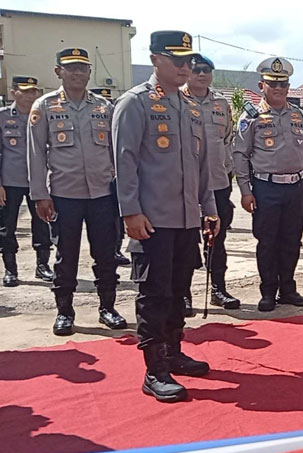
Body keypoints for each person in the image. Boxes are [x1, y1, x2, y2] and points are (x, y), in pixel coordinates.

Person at [113, 31, 219, 402]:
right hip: (152, 220)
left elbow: (202, 165)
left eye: (189, 61)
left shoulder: (190, 107)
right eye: (178, 60)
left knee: (178, 292)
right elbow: (124, 162)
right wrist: (130, 211)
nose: (185, 67)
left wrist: (209, 208)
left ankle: (173, 352)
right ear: (156, 58)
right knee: (154, 294)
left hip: (188, 218)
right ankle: (154, 369)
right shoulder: (135, 103)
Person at [28, 49, 127, 336]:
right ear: (58, 71)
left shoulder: (103, 106)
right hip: (64, 194)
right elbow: (36, 154)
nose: (77, 74)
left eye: (82, 69)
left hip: (102, 194)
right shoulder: (44, 106)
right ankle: (64, 312)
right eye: (71, 68)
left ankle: (107, 307)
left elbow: (115, 150)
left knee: (106, 254)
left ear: (89, 72)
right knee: (66, 255)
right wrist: (39, 194)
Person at [232, 56, 303, 313]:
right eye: (273, 84)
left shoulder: (298, 115)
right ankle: (268, 291)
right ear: (262, 85)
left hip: (296, 187)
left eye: (283, 84)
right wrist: (246, 191)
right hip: (265, 187)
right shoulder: (251, 118)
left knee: (292, 239)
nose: (278, 89)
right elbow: (240, 155)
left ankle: (288, 289)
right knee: (268, 241)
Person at [182, 54, 240, 310]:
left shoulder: (221, 103)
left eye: (206, 70)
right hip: (185, 184)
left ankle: (218, 288)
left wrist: (227, 171)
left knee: (217, 239)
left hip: (217, 182)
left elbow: (227, 139)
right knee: (184, 241)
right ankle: (183, 293)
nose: (202, 75)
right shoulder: (177, 100)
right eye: (196, 70)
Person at [0, 76, 54, 287]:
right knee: (7, 227)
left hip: (38, 181)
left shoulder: (44, 116)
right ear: (14, 92)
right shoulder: (3, 117)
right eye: (26, 91)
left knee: (42, 224)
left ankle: (42, 266)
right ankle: (10, 269)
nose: (31, 95)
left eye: (34, 91)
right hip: (10, 181)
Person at [90, 87, 130, 268]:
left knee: (116, 221)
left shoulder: (112, 114)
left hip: (112, 180)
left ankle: (116, 249)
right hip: (92, 180)